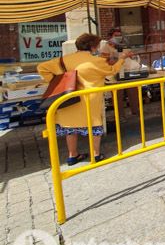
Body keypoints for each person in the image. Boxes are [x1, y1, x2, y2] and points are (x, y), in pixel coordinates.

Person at [38, 33, 132, 165]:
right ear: (93, 47)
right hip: (89, 99)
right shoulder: (96, 61)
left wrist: (57, 81)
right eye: (97, 46)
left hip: (68, 98)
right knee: (94, 126)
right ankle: (96, 154)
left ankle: (72, 156)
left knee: (70, 128)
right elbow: (112, 70)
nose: (98, 48)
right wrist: (122, 58)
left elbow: (41, 68)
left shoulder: (63, 60)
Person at [100, 27, 138, 116]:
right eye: (116, 35)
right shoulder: (106, 47)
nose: (118, 37)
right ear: (111, 36)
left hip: (128, 71)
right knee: (117, 96)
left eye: (120, 35)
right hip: (115, 73)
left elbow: (132, 56)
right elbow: (105, 61)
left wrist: (131, 55)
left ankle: (136, 112)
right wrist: (118, 58)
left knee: (133, 92)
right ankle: (120, 116)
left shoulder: (125, 44)